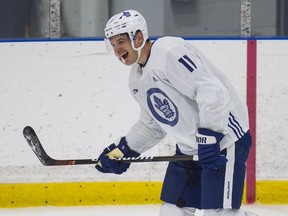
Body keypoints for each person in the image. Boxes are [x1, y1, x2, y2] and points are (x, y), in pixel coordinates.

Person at [95, 9, 258, 216]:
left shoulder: (169, 52)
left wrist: (210, 137)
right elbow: (152, 126)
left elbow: (211, 91)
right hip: (190, 148)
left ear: (138, 36)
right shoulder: (136, 78)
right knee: (172, 211)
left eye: (120, 42)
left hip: (226, 140)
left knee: (219, 214)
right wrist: (123, 150)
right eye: (113, 44)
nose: (117, 50)